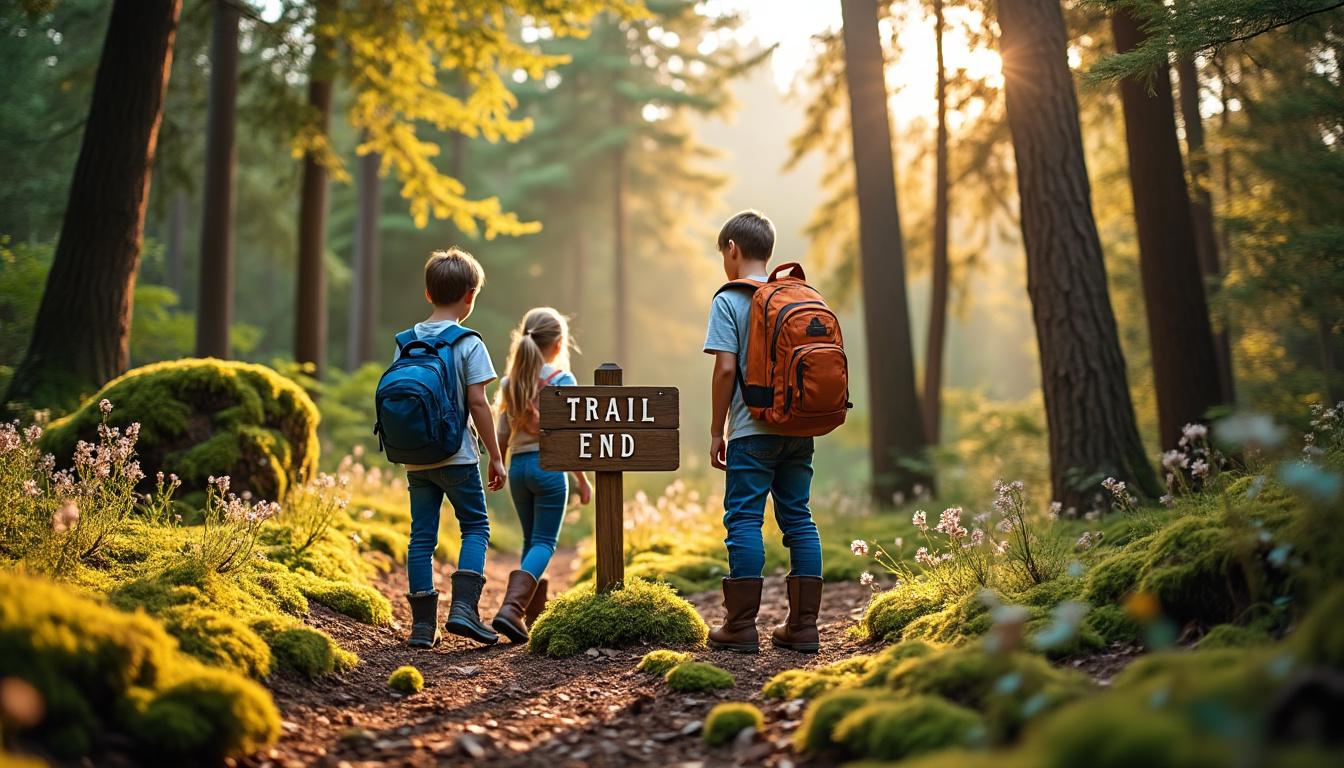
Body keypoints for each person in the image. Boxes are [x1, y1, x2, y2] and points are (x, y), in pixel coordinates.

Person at [703, 210, 825, 654]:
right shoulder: (795, 294)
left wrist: (717, 429)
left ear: (731, 249)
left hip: (752, 433)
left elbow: (725, 370)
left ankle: (740, 627)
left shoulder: (729, 299)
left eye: (723, 254)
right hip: (798, 428)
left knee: (744, 521)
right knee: (798, 519)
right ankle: (805, 627)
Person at [400, 248, 507, 649]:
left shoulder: (405, 342)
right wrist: (496, 455)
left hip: (415, 459)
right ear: (470, 295)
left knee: (421, 539)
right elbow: (478, 402)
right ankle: (464, 611)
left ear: (428, 294)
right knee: (475, 527)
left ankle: (422, 629)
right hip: (458, 456)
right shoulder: (468, 342)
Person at [491, 307, 592, 642]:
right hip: (549, 469)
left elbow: (502, 431)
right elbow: (567, 439)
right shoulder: (562, 381)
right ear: (559, 343)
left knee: (529, 540)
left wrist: (498, 463)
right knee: (546, 542)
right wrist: (581, 478)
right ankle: (512, 609)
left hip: (517, 469)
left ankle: (528, 619)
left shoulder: (510, 382)